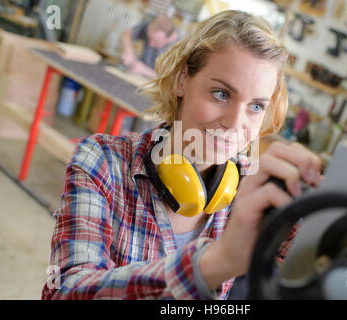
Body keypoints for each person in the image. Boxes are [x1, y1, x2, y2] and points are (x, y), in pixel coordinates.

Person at [42, 10, 324, 300]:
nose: (234, 123)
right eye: (222, 94)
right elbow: (65, 292)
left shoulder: (254, 188)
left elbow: (325, 270)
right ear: (182, 81)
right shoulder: (102, 160)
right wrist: (215, 262)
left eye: (255, 107)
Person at [120, 14, 179, 79]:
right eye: (149, 38)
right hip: (137, 77)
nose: (150, 44)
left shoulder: (179, 49)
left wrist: (145, 71)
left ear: (170, 38)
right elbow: (127, 33)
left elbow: (171, 81)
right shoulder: (150, 26)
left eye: (155, 41)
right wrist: (128, 50)